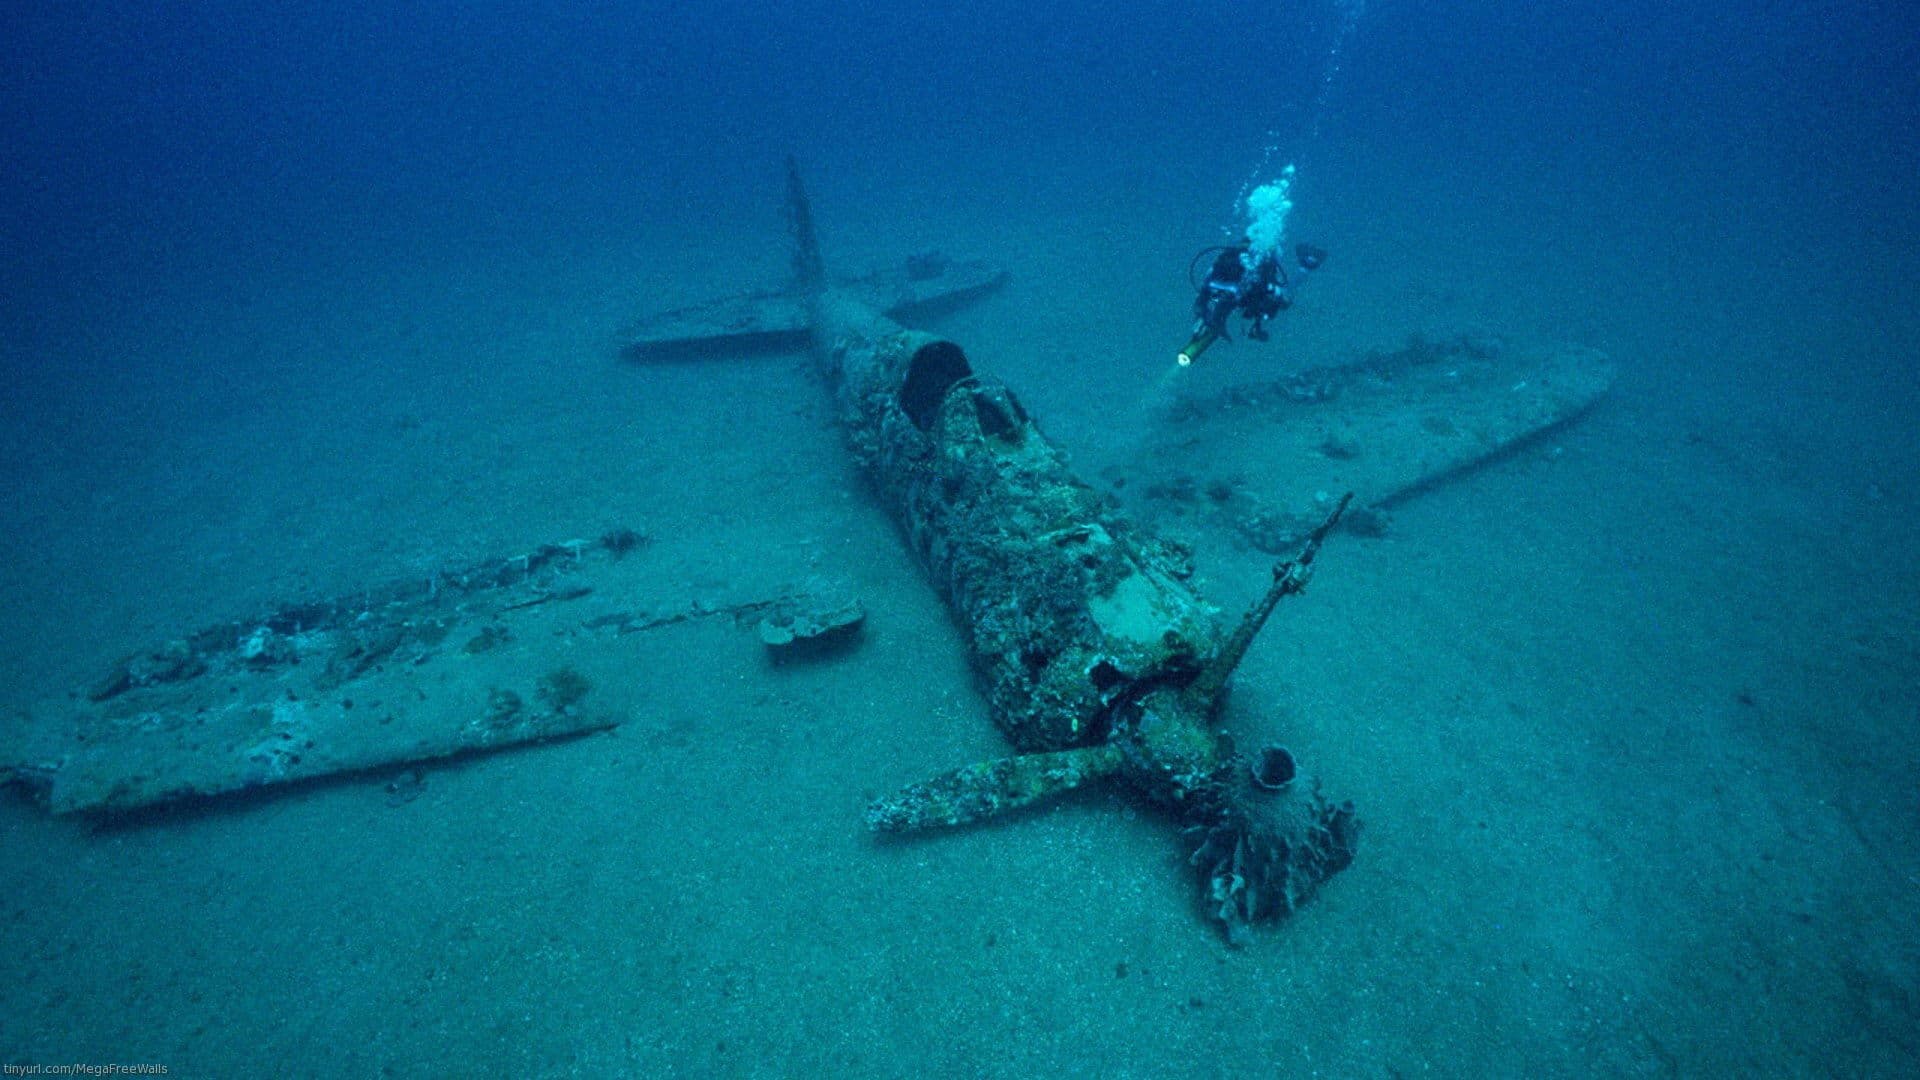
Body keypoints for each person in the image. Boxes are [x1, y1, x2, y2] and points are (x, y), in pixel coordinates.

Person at [1177, 241, 1327, 366]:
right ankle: (1305, 266)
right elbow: (1204, 294)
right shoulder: (1222, 269)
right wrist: (1200, 318)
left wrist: (1262, 315)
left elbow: (1279, 298)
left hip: (1258, 294)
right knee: (1277, 298)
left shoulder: (1259, 278)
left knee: (1282, 298)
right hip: (1241, 297)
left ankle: (1306, 266)